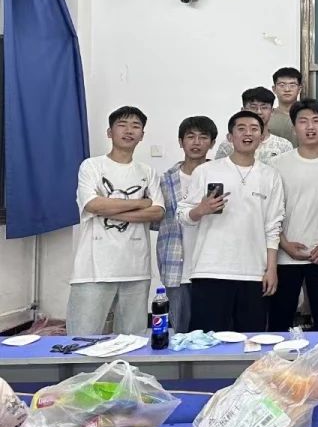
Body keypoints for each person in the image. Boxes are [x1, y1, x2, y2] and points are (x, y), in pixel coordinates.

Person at [178, 110, 285, 332]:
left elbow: (273, 226)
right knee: (208, 340)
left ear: (261, 137)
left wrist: (271, 269)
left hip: (254, 273)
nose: (248, 133)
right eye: (241, 129)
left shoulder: (270, 175)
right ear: (230, 137)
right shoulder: (206, 171)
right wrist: (201, 210)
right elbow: (183, 215)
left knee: (250, 340)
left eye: (254, 129)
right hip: (210, 271)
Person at [69, 107, 165, 336]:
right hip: (93, 270)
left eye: (135, 126)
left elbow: (157, 212)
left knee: (133, 340)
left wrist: (109, 210)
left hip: (136, 270)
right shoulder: (92, 166)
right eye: (122, 125)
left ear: (142, 135)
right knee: (83, 337)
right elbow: (92, 205)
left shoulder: (147, 172)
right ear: (109, 132)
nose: (129, 130)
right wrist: (141, 203)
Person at [267, 99, 318, 332]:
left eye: (316, 121)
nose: (310, 127)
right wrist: (284, 245)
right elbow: (270, 212)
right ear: (294, 127)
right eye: (303, 121)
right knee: (279, 322)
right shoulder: (277, 164)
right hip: (285, 256)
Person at [152, 115, 217, 334]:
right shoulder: (164, 180)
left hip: (211, 265)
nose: (196, 142)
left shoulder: (221, 176)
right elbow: (156, 220)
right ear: (181, 142)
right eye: (190, 137)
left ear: (212, 143)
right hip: (176, 264)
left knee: (213, 329)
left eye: (203, 137)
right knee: (179, 330)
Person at [216, 87, 293, 161]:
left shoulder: (283, 146)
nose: (259, 112)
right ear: (243, 110)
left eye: (264, 107)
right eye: (253, 107)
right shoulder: (228, 145)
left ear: (272, 111)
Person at [269, 67, 303, 147]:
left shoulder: (308, 117)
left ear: (299, 89)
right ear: (274, 89)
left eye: (292, 85)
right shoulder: (267, 117)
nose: (287, 89)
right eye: (282, 85)